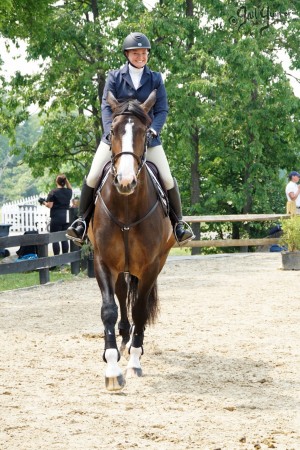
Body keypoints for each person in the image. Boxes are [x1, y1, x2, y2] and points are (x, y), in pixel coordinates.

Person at [67, 32, 194, 246]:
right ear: (127, 54)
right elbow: (106, 108)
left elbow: (162, 109)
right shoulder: (114, 77)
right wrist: (109, 131)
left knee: (167, 178)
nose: (141, 57)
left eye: (144, 53)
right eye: (136, 53)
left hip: (146, 138)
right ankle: (81, 222)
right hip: (116, 138)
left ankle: (179, 224)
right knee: (92, 175)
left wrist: (153, 130)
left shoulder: (155, 78)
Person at [39, 174, 72, 255]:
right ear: (65, 182)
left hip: (57, 217)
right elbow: (70, 187)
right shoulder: (69, 191)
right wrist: (65, 180)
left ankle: (56, 260)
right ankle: (64, 259)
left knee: (55, 239)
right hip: (66, 216)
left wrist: (43, 202)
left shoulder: (53, 192)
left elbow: (49, 205)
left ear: (56, 181)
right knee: (64, 238)